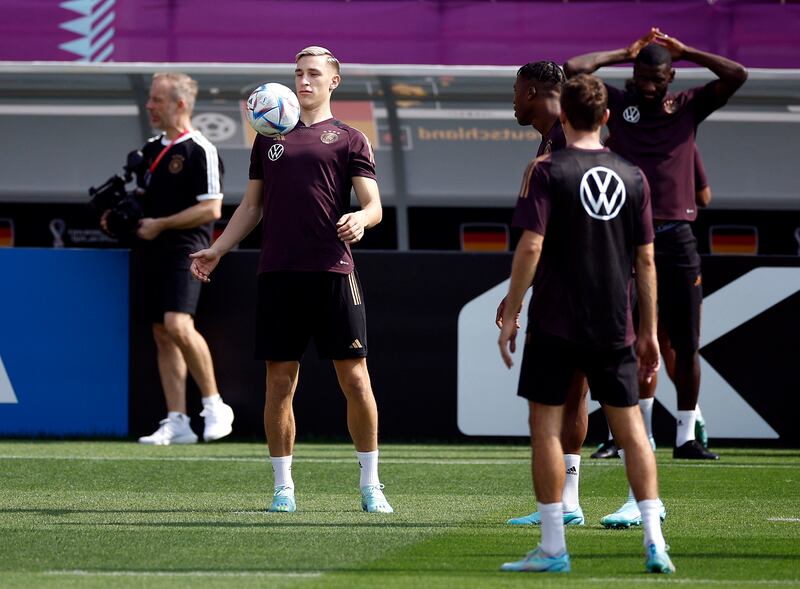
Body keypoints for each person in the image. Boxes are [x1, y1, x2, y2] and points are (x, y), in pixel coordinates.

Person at [189, 46, 392, 514]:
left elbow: (374, 206)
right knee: (279, 383)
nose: (303, 80)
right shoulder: (268, 135)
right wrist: (219, 249)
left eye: (313, 74)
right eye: (298, 73)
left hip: (334, 271)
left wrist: (361, 219)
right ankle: (283, 487)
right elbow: (252, 207)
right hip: (278, 272)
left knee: (356, 379)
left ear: (333, 81)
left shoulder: (349, 138)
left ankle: (371, 484)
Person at [497, 74, 673, 574]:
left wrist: (511, 310)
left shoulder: (546, 169)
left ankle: (553, 547)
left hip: (555, 320)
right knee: (632, 430)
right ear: (607, 117)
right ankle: (654, 540)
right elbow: (647, 262)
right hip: (614, 323)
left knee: (546, 429)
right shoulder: (633, 175)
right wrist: (647, 331)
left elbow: (531, 246)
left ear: (565, 116)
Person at [564, 28, 747, 460]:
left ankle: (686, 435)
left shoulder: (687, 108)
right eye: (641, 75)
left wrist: (687, 51)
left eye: (656, 77)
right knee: (619, 339)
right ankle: (629, 434)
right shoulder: (619, 102)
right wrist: (619, 53)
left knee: (685, 343)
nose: (647, 85)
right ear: (633, 71)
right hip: (623, 237)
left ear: (670, 77)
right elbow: (573, 69)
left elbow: (737, 73)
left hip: (675, 236)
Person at [107, 72, 234, 445]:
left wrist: (160, 224)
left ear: (179, 104)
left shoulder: (200, 149)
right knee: (162, 333)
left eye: (157, 100)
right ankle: (177, 420)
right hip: (150, 250)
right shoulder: (148, 149)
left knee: (178, 325)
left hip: (187, 250)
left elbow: (211, 209)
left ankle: (214, 406)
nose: (149, 106)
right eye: (149, 99)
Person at [496, 61, 588, 528]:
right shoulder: (562, 137)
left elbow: (543, 237)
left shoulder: (563, 143)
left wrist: (517, 299)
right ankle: (570, 499)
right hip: (598, 286)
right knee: (580, 396)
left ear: (533, 90)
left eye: (516, 91)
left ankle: (562, 506)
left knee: (555, 400)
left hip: (567, 291)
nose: (513, 100)